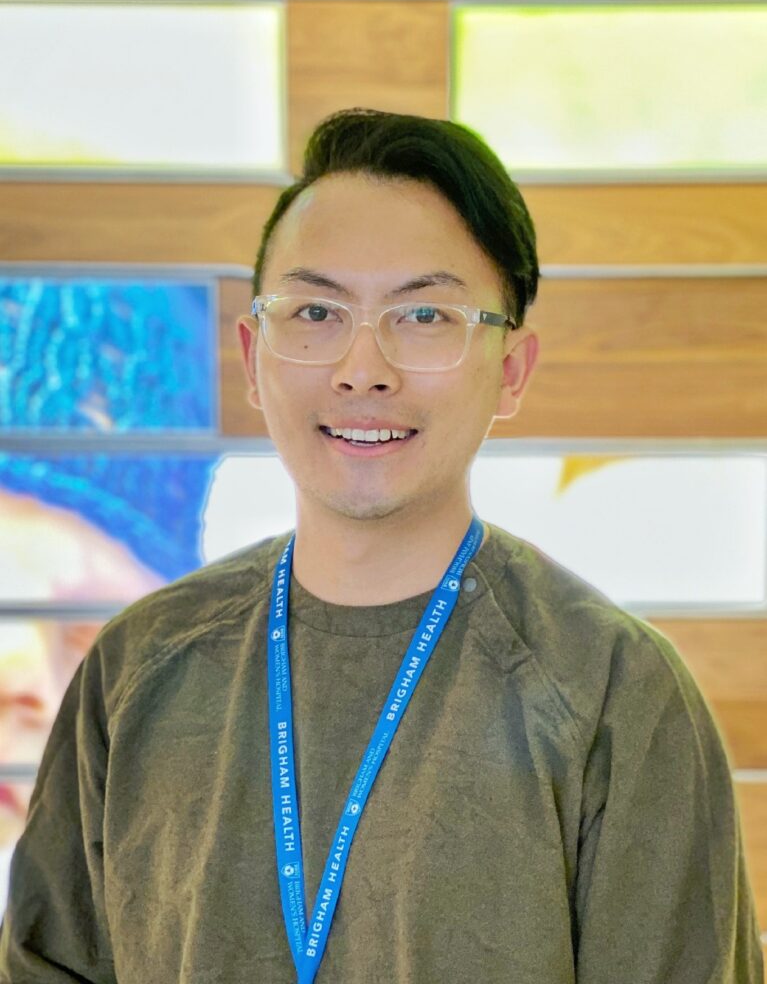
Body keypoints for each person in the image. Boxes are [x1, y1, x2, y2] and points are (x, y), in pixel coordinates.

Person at [0, 108, 762, 983]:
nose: (364, 369)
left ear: (510, 369)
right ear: (253, 357)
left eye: (424, 316)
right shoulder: (135, 668)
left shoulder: (615, 695)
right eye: (316, 311)